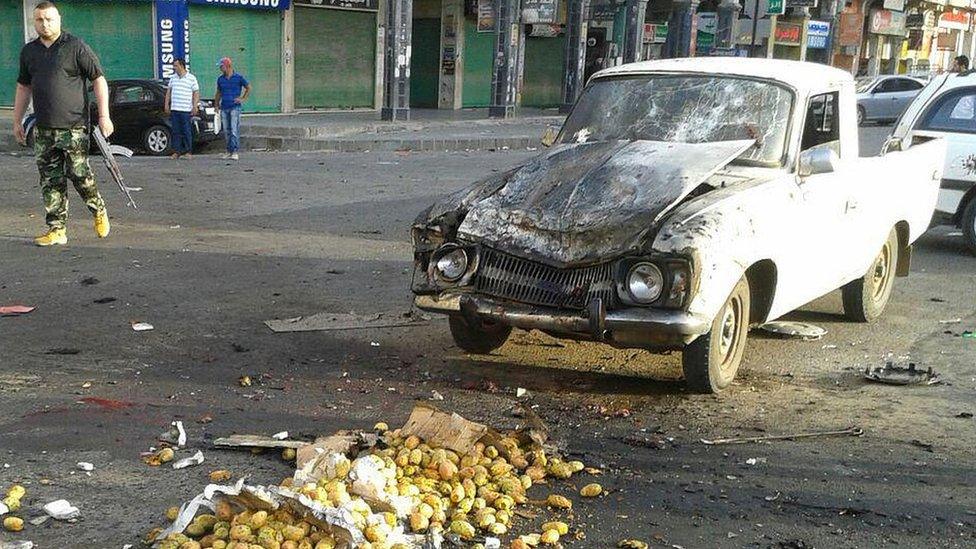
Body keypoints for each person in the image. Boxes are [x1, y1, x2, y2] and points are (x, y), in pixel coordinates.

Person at [12, 1, 113, 247]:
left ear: (59, 19)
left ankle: (98, 209)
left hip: (74, 126)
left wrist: (104, 115)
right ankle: (57, 230)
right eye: (39, 20)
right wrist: (17, 121)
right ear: (33, 22)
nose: (44, 24)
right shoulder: (29, 52)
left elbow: (98, 79)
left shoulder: (75, 47)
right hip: (43, 128)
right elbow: (23, 87)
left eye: (49, 19)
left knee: (79, 173)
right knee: (50, 180)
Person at [214, 57, 250, 161]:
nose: (220, 68)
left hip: (235, 107)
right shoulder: (220, 79)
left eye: (222, 66)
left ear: (227, 66)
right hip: (224, 107)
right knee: (226, 130)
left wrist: (242, 98)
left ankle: (234, 151)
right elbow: (218, 92)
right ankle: (228, 150)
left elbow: (248, 87)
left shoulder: (238, 77)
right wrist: (216, 105)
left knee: (234, 129)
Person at [163, 58, 199, 159]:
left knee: (186, 130)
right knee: (176, 131)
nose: (174, 68)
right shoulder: (173, 78)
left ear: (181, 66)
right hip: (175, 108)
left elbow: (196, 92)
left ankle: (188, 151)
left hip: (186, 109)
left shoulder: (191, 78)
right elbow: (168, 92)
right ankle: (176, 151)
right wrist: (166, 104)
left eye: (176, 66)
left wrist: (194, 105)